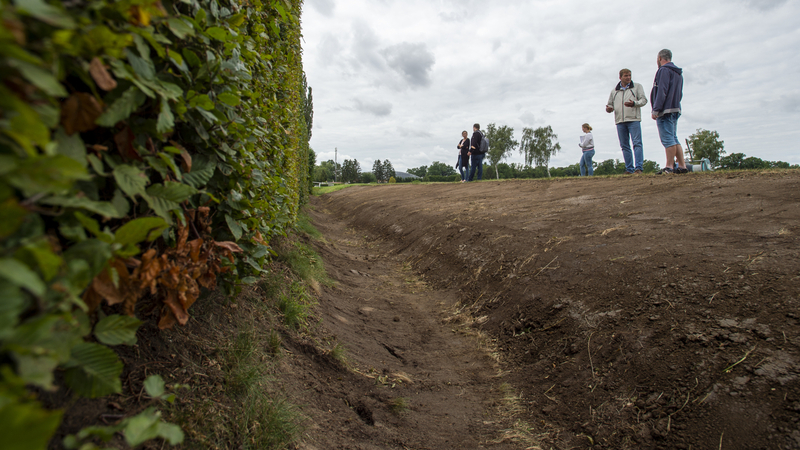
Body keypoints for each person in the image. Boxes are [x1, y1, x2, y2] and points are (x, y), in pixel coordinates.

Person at [650, 49, 687, 174]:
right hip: (675, 107)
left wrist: (656, 109)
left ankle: (669, 166)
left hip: (665, 110)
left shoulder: (664, 70)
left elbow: (662, 90)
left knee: (668, 139)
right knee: (674, 138)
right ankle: (682, 166)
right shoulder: (677, 73)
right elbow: (680, 92)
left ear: (660, 58)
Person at [606, 68, 648, 174]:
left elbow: (644, 100)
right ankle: (629, 168)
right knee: (624, 146)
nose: (628, 77)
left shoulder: (637, 87)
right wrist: (609, 109)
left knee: (637, 143)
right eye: (626, 76)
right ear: (620, 77)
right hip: (620, 121)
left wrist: (634, 103)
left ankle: (638, 168)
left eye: (629, 75)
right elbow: (610, 104)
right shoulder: (614, 91)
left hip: (633, 119)